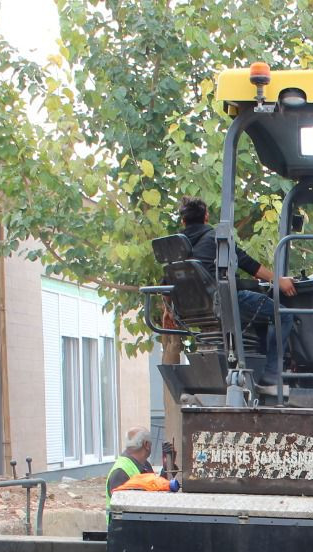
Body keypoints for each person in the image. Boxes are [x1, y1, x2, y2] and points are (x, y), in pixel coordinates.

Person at [175, 197, 295, 392]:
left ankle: (261, 364)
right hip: (224, 300)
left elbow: (167, 284)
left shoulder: (178, 247)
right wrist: (279, 281)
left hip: (193, 309)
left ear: (183, 221)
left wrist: (167, 311)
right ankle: (272, 375)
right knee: (284, 315)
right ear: (206, 216)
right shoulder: (216, 239)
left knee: (262, 317)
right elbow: (248, 264)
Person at [107, 426, 155, 500]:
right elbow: (122, 506)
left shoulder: (145, 465)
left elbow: (155, 488)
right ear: (146, 445)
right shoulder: (120, 472)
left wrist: (167, 467)